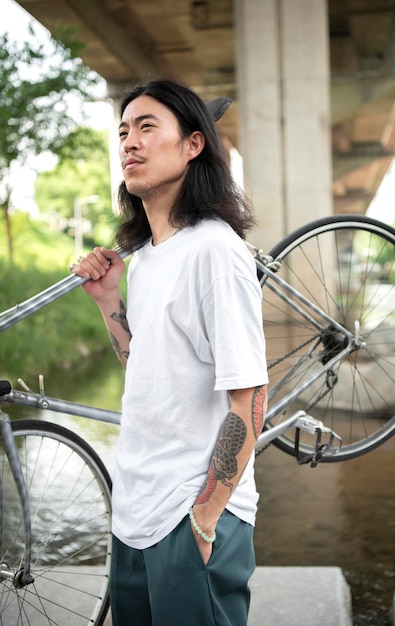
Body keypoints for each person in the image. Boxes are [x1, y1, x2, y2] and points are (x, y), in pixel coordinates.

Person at [71, 79, 268, 626]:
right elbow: (148, 373)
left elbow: (250, 398)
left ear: (193, 145)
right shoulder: (147, 258)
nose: (129, 142)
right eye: (123, 131)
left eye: (148, 127)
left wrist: (205, 519)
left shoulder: (215, 251)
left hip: (191, 515)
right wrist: (109, 300)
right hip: (134, 513)